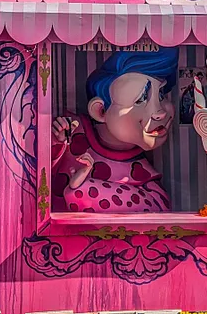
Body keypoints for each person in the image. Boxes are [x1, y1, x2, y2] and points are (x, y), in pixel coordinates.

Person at [53, 48, 177, 213]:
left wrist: (84, 189)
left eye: (161, 96)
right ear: (100, 111)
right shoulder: (72, 130)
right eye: (141, 99)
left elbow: (160, 206)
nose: (160, 113)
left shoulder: (142, 173)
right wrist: (56, 143)